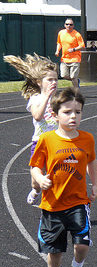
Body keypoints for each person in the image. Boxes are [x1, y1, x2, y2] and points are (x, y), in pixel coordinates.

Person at [29, 87, 97, 267]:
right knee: (55, 251)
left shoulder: (87, 139)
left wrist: (95, 184)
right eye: (67, 112)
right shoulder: (47, 140)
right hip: (52, 205)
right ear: (56, 114)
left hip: (78, 202)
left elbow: (91, 161)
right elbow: (35, 166)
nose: (73, 117)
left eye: (78, 112)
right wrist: (40, 180)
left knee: (81, 244)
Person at [3, 54, 59, 205]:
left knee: (56, 175)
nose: (54, 82)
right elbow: (37, 116)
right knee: (37, 181)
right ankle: (35, 190)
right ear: (38, 82)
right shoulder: (35, 98)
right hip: (39, 143)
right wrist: (47, 97)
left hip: (56, 143)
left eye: (56, 79)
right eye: (50, 79)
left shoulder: (58, 99)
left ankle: (54, 204)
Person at [55, 18, 85, 88]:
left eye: (71, 24)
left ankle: (76, 92)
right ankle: (77, 81)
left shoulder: (77, 34)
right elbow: (59, 43)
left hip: (75, 59)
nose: (69, 26)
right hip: (64, 59)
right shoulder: (61, 33)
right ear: (64, 25)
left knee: (73, 77)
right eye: (67, 24)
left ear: (73, 26)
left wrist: (74, 49)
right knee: (63, 75)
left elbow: (82, 46)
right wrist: (57, 50)